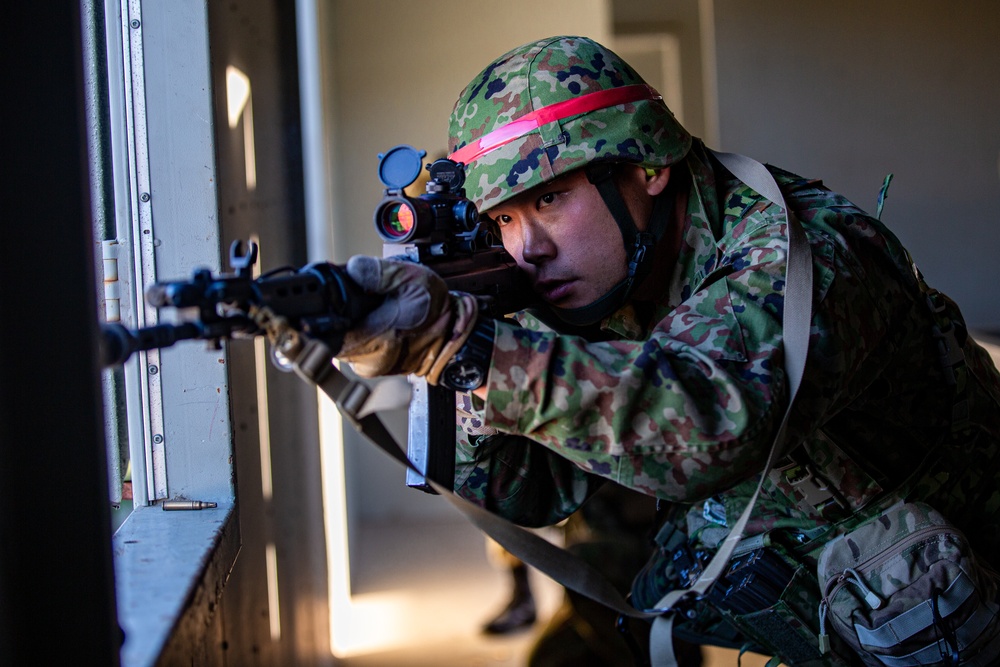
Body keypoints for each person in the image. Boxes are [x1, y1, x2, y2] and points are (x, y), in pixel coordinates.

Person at [337, 36, 1000, 665]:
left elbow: (703, 418)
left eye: (550, 199)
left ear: (649, 166)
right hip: (849, 608)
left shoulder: (804, 258)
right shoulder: (606, 280)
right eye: (505, 218)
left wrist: (479, 350)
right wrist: (455, 369)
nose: (528, 246)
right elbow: (530, 492)